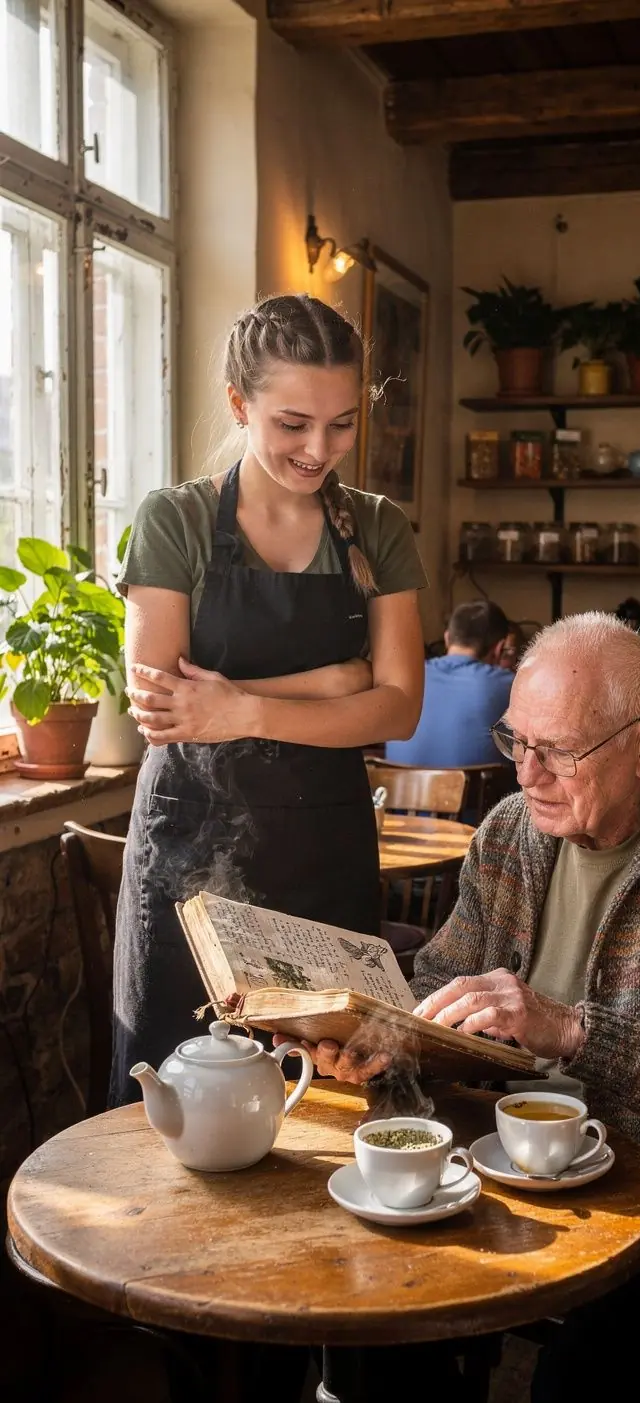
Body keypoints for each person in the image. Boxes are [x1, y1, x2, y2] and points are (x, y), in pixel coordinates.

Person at [295, 612, 640, 1403]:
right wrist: (381, 1039)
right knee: (380, 1307)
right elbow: (438, 983)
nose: (526, 774)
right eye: (516, 741)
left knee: (587, 1383)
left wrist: (573, 1030)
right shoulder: (510, 832)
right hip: (512, 1158)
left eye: (559, 752)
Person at [114, 293, 427, 1110]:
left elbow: (398, 710)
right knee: (179, 1098)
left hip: (327, 852)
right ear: (237, 404)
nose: (319, 449)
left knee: (331, 1096)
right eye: (293, 423)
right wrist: (329, 684)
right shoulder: (176, 519)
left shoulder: (377, 531)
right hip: (190, 861)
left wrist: (243, 708)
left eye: (341, 423)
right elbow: (162, 707)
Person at [384, 599, 514, 768]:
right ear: (499, 648)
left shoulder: (407, 677)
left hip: (398, 791)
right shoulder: (508, 685)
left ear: (447, 638)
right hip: (472, 793)